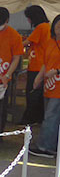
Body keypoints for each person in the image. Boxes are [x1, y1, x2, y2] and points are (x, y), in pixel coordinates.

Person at [29, 15, 60, 159]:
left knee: (51, 116)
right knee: (49, 115)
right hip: (49, 85)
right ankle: (49, 145)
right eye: (57, 25)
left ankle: (46, 146)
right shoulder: (50, 42)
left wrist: (57, 71)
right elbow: (45, 63)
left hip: (58, 84)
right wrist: (39, 77)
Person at [22, 5, 50, 124]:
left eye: (28, 18)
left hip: (37, 65)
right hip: (42, 64)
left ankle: (30, 118)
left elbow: (26, 43)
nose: (28, 21)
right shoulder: (47, 27)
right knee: (39, 94)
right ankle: (37, 117)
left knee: (32, 93)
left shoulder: (41, 27)